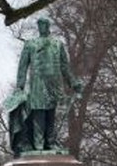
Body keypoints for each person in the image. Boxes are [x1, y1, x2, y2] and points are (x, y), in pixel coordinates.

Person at [7, 15, 81, 154]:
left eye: (44, 24)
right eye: (40, 24)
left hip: (54, 83)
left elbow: (64, 67)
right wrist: (19, 87)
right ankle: (39, 145)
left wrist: (73, 83)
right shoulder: (30, 44)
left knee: (51, 113)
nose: (42, 26)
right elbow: (23, 67)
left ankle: (50, 142)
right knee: (39, 112)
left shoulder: (57, 44)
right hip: (38, 83)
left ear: (48, 26)